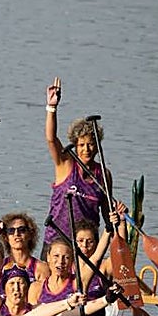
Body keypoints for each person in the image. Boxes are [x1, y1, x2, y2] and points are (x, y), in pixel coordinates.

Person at [43, 77, 111, 252]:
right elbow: (51, 139)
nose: (86, 149)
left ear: (97, 146)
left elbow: (106, 214)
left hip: (87, 247)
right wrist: (52, 107)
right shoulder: (65, 163)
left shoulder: (103, 174)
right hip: (57, 242)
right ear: (75, 145)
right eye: (81, 145)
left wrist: (117, 227)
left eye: (90, 144)